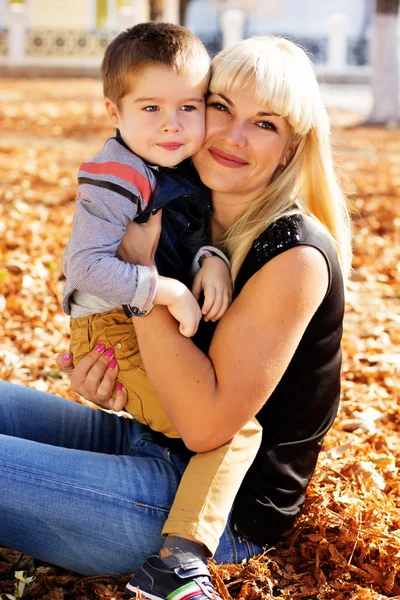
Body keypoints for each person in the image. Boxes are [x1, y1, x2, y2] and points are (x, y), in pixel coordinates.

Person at [0, 34, 351, 600]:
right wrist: (112, 378)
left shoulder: (296, 255)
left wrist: (144, 280)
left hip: (208, 516)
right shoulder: (186, 201)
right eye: (220, 108)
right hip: (150, 441)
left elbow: (210, 428)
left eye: (264, 124)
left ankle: (176, 575)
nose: (234, 136)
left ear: (290, 147)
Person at [62, 20, 263, 591]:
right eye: (150, 107)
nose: (172, 124)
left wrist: (209, 259)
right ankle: (177, 563)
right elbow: (85, 265)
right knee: (232, 430)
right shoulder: (116, 175)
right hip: (112, 330)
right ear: (114, 110)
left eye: (189, 107)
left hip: (131, 322)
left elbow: (177, 233)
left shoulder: (174, 166)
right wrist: (168, 288)